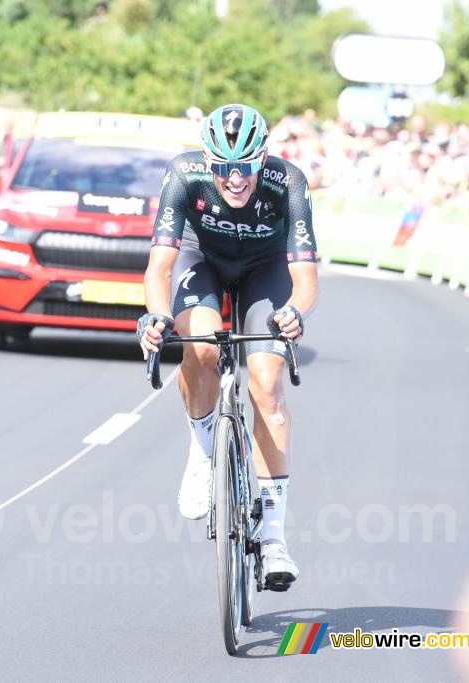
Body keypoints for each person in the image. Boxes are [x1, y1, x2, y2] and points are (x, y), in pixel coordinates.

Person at [137, 103, 319, 589]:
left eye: (245, 167)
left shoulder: (289, 183)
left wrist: (295, 314)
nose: (234, 179)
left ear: (263, 159)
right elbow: (159, 268)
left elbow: (304, 278)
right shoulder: (183, 174)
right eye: (223, 168)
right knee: (199, 348)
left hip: (266, 271)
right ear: (207, 160)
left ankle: (276, 538)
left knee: (267, 384)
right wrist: (155, 317)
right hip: (205, 263)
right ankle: (202, 456)